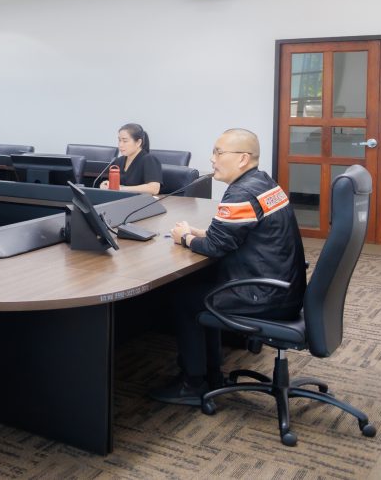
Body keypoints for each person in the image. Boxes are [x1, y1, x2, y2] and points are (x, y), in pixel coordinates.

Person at [150, 128, 306, 406]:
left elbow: (215, 247)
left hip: (264, 294)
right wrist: (200, 233)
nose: (212, 159)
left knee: (185, 299)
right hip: (284, 286)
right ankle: (212, 374)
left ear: (243, 158)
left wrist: (184, 238)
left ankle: (192, 383)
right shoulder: (263, 183)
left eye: (218, 152)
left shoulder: (241, 193)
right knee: (202, 287)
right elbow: (239, 234)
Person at [99, 123, 161, 195]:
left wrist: (121, 188)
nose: (120, 145)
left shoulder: (149, 159)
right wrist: (107, 185)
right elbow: (115, 187)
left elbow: (154, 189)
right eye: (119, 140)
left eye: (125, 141)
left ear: (138, 142)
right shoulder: (119, 161)